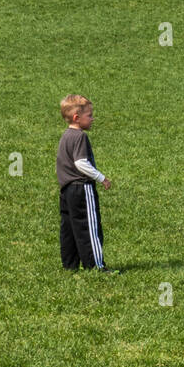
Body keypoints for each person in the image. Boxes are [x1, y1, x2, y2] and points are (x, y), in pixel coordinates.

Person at [56, 94, 114, 273]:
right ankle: (96, 265)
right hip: (81, 188)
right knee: (89, 227)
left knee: (69, 228)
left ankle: (70, 264)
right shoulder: (79, 137)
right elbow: (80, 163)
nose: (92, 118)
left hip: (66, 190)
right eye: (89, 115)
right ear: (76, 118)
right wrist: (100, 177)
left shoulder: (65, 136)